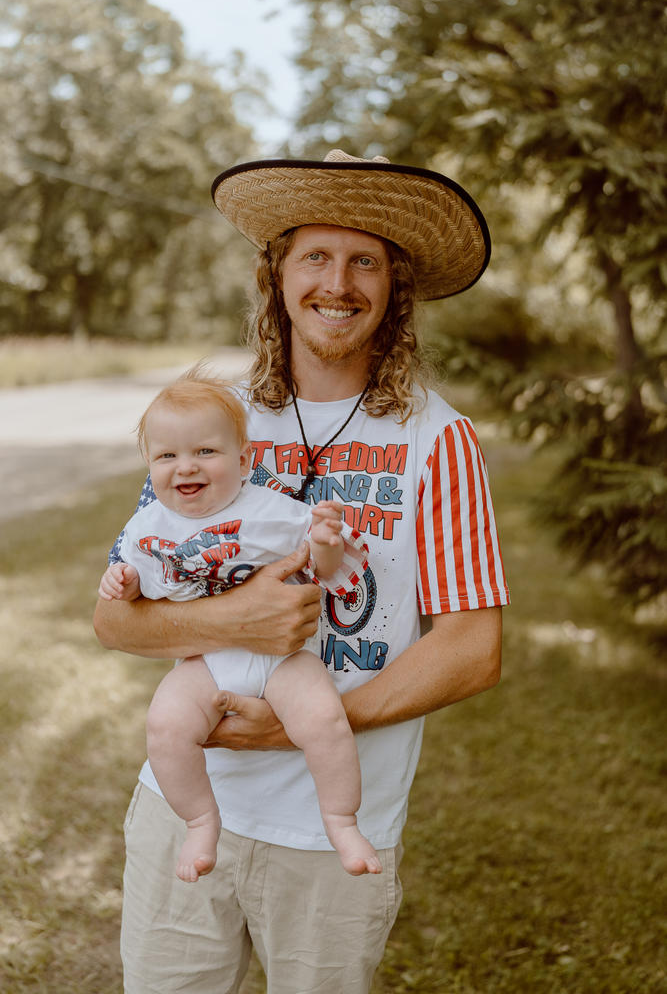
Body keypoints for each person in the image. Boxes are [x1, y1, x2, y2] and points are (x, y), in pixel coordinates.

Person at [94, 149, 510, 994]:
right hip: (186, 808)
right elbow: (115, 617)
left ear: (393, 287)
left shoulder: (439, 439)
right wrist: (232, 622)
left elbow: (472, 647)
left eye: (365, 261)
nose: (338, 281)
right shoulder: (213, 419)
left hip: (334, 833)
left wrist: (308, 724)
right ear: (275, 274)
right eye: (315, 255)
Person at [98, 368, 379, 884]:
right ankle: (201, 821)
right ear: (149, 465)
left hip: (283, 660)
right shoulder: (148, 527)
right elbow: (146, 592)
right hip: (206, 663)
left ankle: (341, 821)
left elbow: (325, 564)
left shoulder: (272, 511)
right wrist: (126, 582)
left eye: (206, 452)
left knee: (324, 722)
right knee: (165, 726)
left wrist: (323, 537)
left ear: (244, 460)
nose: (186, 467)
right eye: (167, 456)